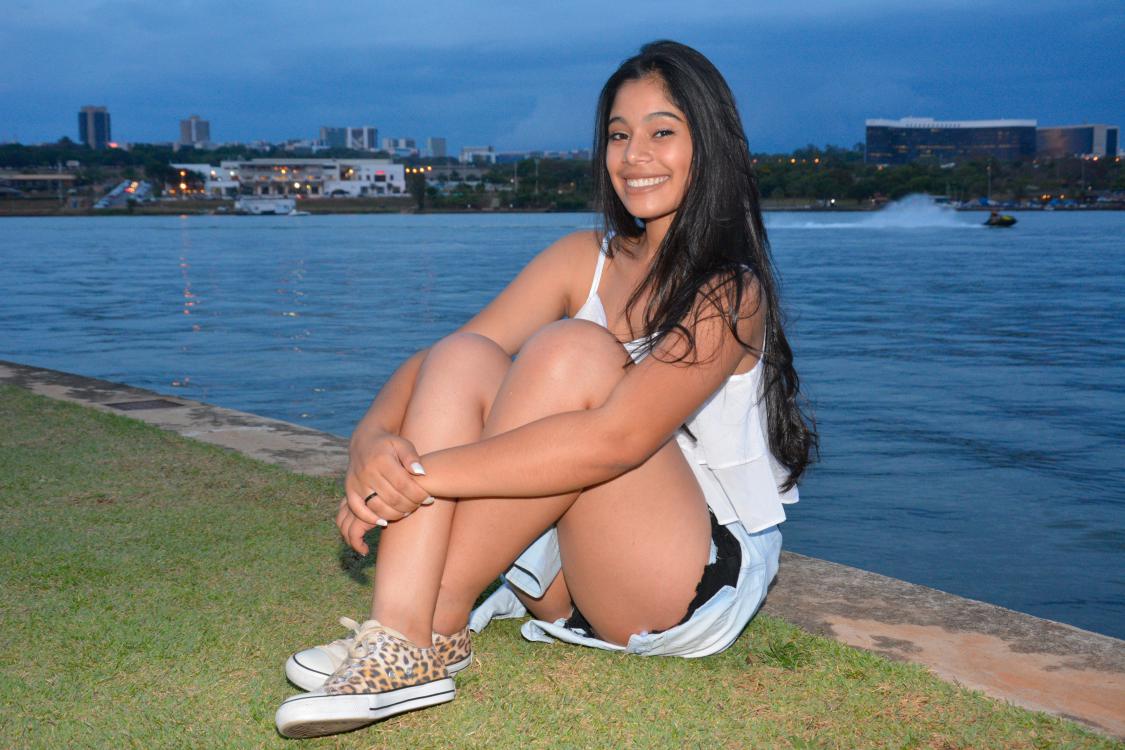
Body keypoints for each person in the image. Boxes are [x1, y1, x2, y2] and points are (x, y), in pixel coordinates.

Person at [275, 39, 816, 738]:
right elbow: (434, 365)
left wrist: (409, 478)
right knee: (464, 355)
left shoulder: (730, 291)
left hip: (683, 576)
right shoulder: (583, 259)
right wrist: (370, 444)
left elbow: (615, 441)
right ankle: (409, 630)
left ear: (709, 146)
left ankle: (424, 625)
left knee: (571, 350)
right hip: (563, 575)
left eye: (662, 133)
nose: (634, 155)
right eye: (618, 135)